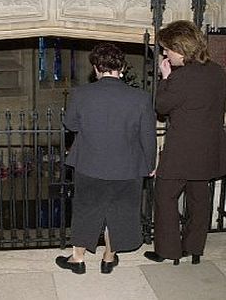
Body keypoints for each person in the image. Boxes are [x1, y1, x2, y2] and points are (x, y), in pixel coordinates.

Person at [56, 42, 157, 274]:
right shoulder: (140, 97)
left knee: (85, 210)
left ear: (95, 67)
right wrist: (150, 164)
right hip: (127, 168)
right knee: (119, 213)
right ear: (121, 66)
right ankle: (109, 259)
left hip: (90, 165)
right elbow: (148, 136)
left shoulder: (82, 94)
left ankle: (78, 259)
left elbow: (70, 123)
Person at [144, 20, 226, 266]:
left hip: (183, 150)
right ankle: (194, 249)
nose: (165, 54)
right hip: (209, 149)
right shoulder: (217, 71)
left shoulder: (181, 77)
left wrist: (166, 78)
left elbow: (161, 106)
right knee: (198, 199)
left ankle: (169, 250)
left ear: (181, 49)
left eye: (167, 50)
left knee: (165, 196)